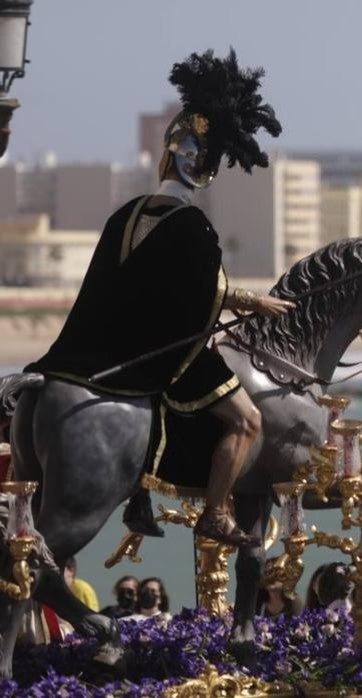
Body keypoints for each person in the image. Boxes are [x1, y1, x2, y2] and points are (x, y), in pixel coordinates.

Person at [24, 48, 289, 547]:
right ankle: (214, 512)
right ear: (207, 172)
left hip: (88, 351)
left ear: (166, 156)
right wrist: (253, 303)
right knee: (249, 420)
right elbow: (201, 296)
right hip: (162, 355)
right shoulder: (193, 225)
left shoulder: (125, 212)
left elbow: (122, 286)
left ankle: (143, 490)